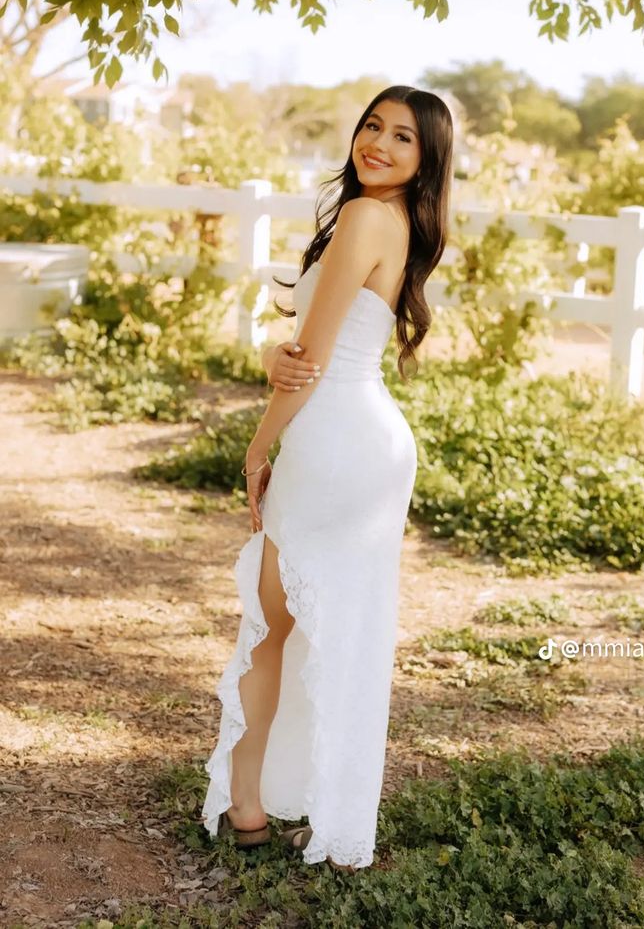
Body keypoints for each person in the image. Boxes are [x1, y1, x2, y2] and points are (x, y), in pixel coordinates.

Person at [201, 85, 454, 871]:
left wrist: (256, 448)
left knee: (271, 628)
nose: (377, 143)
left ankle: (249, 804)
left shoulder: (364, 217)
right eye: (372, 126)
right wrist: (278, 362)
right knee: (340, 635)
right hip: (366, 440)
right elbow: (311, 350)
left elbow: (306, 361)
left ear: (426, 160)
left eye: (402, 138)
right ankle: (326, 810)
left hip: (334, 439)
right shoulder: (400, 222)